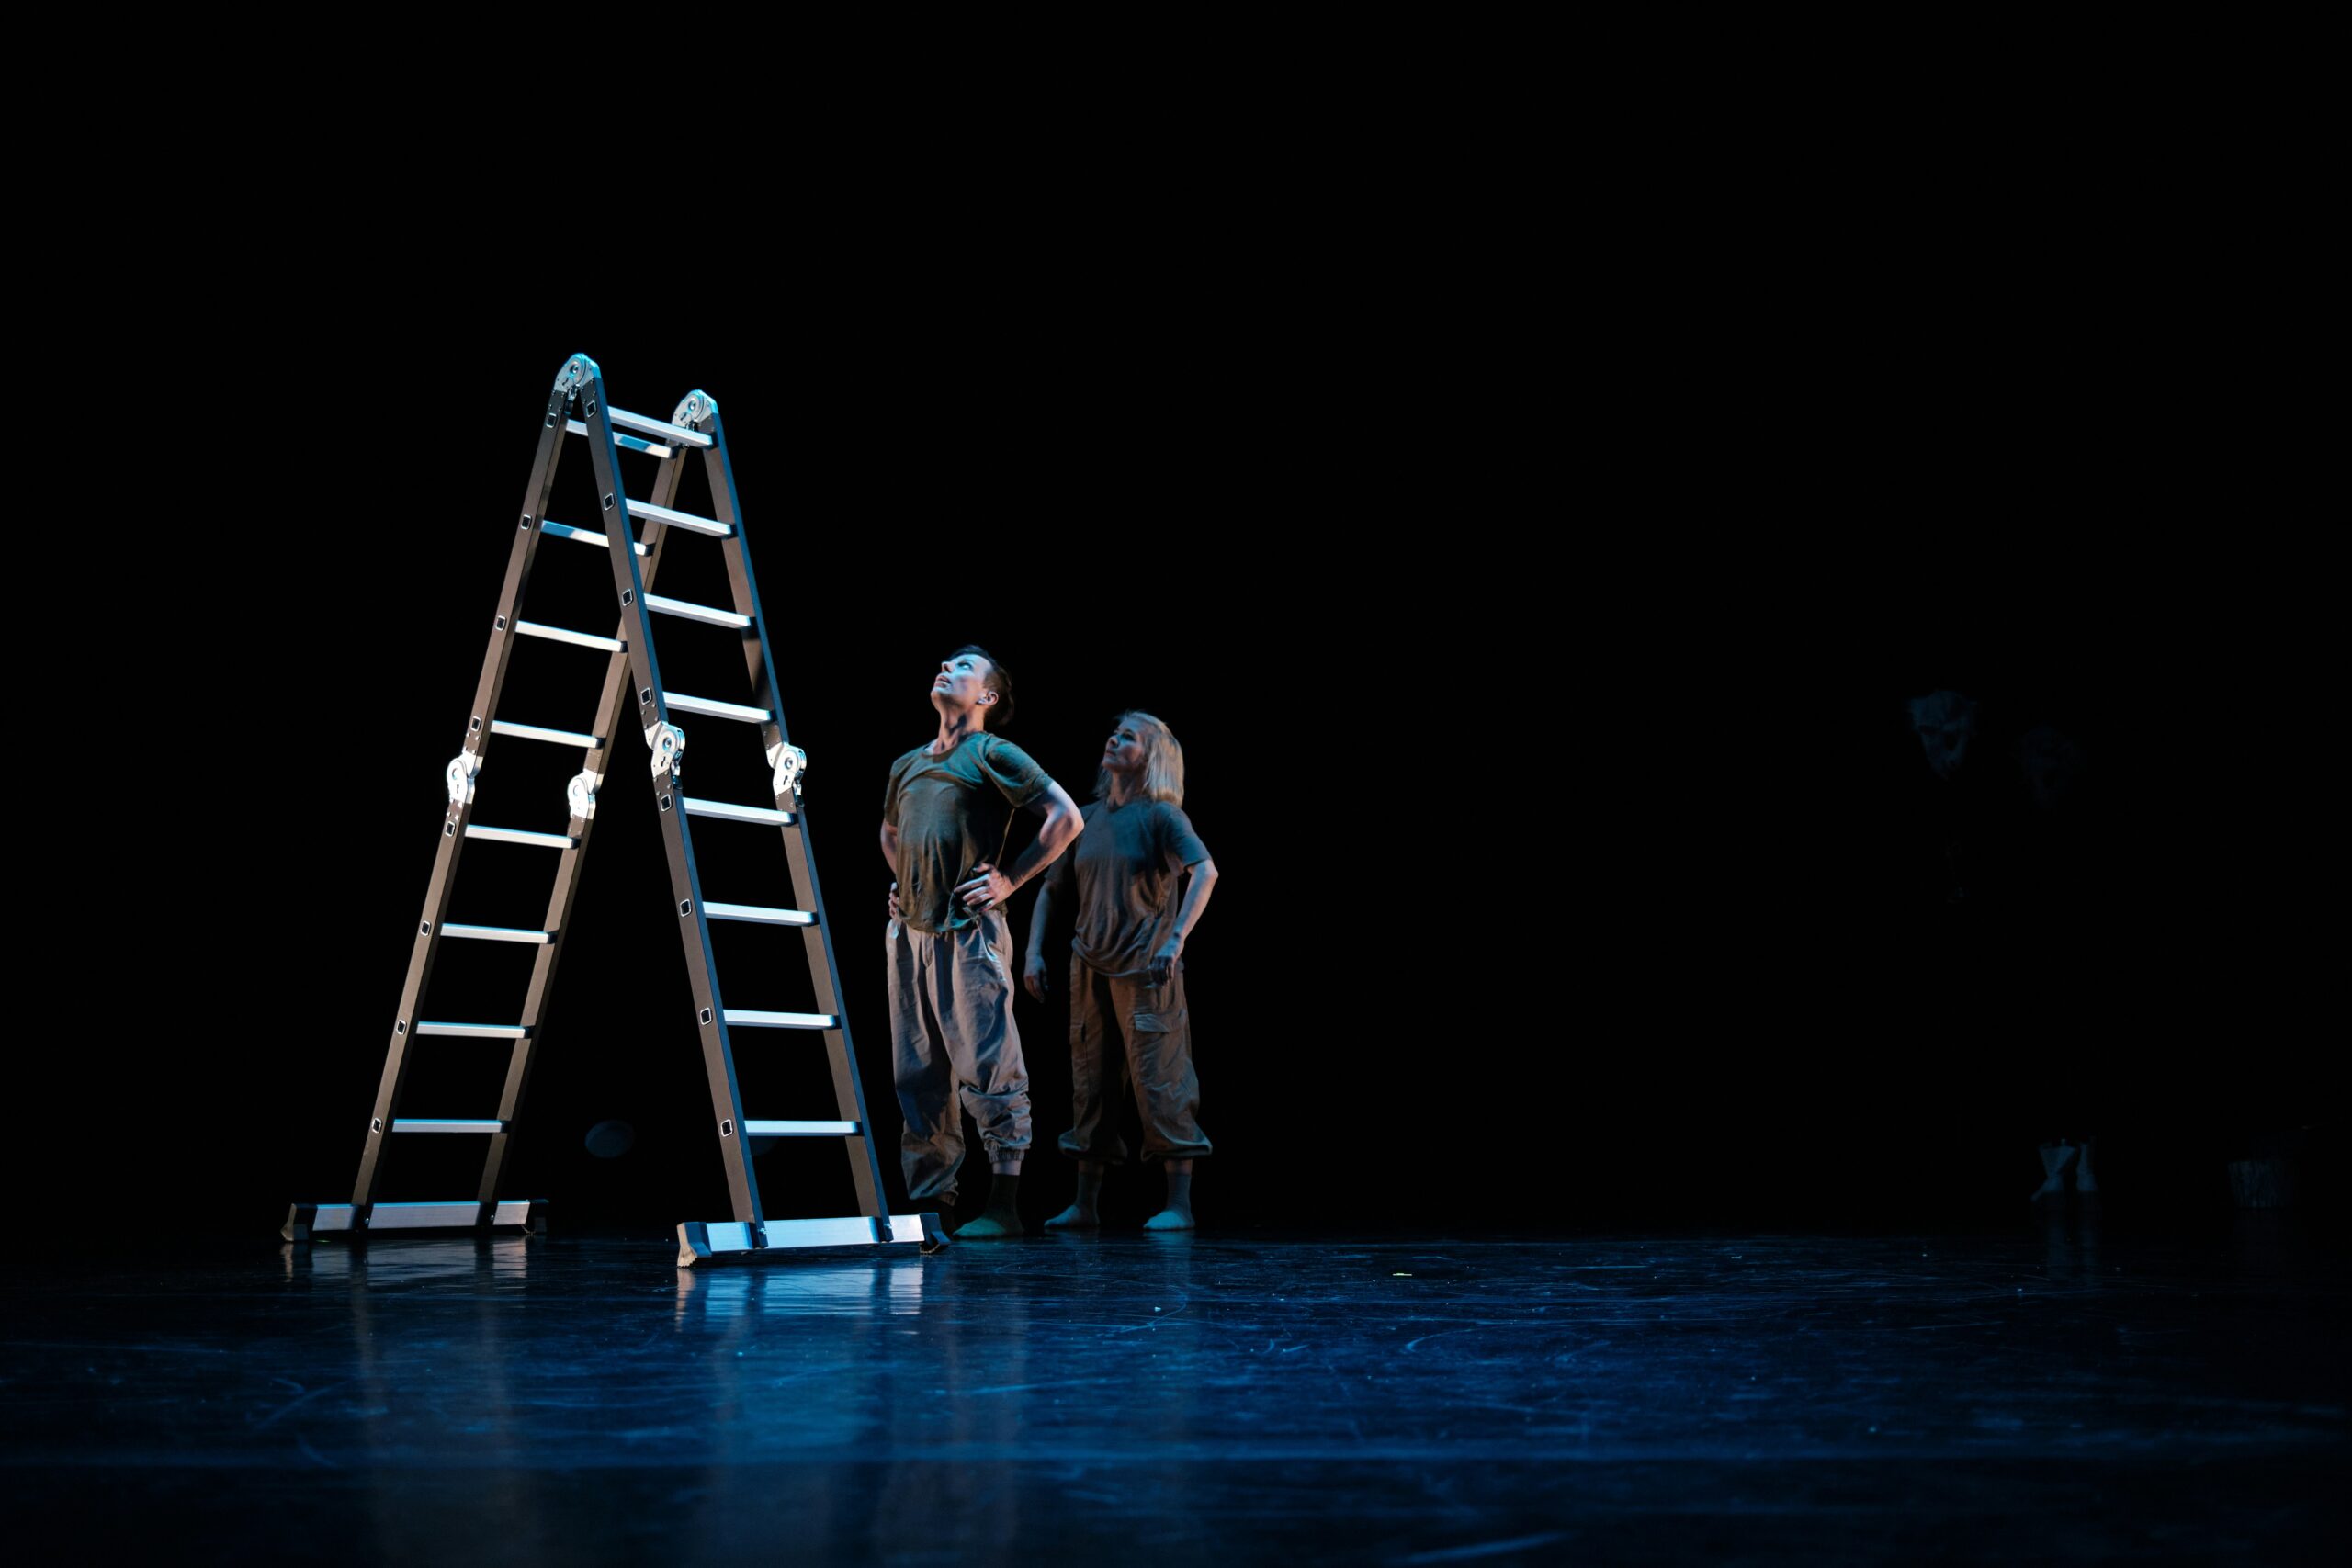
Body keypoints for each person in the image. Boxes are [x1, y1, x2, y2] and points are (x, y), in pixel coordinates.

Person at [882, 647, 1083, 1239]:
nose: (947, 668)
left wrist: (1009, 880)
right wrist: (903, 881)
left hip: (967, 931)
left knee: (989, 1063)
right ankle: (935, 1209)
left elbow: (1066, 818)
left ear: (987, 697)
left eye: (964, 667)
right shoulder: (906, 764)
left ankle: (1003, 1204)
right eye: (944, 663)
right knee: (919, 1075)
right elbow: (890, 831)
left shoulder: (992, 752)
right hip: (909, 935)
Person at [1024, 712, 1218, 1231]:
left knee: (1161, 1078)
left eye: (1128, 736)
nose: (1113, 738)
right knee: (1091, 1079)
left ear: (1152, 757)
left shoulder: (1162, 816)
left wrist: (1176, 938)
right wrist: (1033, 952)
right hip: (1090, 963)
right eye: (1114, 732)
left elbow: (1206, 871)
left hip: (1147, 967)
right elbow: (1051, 889)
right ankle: (1085, 1203)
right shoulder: (1085, 817)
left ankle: (1179, 1205)